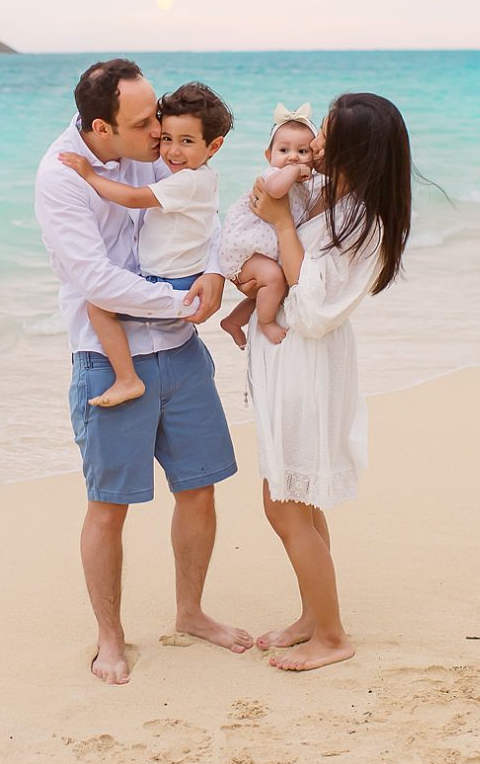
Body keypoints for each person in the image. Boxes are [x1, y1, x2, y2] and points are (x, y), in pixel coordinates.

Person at [33, 58, 254, 685]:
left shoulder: (156, 144)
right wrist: (184, 304)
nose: (159, 132)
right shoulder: (61, 178)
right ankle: (110, 637)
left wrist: (212, 272)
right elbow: (94, 279)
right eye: (144, 123)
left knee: (200, 485)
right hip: (110, 359)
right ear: (102, 128)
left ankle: (191, 613)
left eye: (158, 115)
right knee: (109, 504)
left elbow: (198, 210)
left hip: (180, 352)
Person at [243, 92, 414, 672]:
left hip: (308, 363)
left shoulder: (361, 219)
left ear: (350, 148)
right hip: (294, 359)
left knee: (285, 503)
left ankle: (334, 635)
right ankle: (315, 616)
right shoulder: (330, 199)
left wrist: (281, 221)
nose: (312, 141)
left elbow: (313, 306)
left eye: (324, 133)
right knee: (303, 499)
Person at [57, 82, 232, 408]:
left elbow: (136, 198)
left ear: (214, 146)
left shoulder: (188, 179)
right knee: (98, 303)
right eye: (167, 138)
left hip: (172, 281)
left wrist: (90, 176)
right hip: (172, 277)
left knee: (97, 308)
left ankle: (127, 379)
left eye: (186, 142)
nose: (171, 150)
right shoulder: (183, 171)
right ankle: (129, 377)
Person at [217, 103, 318, 350]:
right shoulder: (274, 174)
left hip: (265, 252)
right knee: (273, 279)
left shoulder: (303, 184)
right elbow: (275, 190)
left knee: (275, 288)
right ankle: (266, 322)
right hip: (246, 250)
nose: (293, 156)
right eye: (284, 150)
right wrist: (295, 169)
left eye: (303, 151)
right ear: (268, 155)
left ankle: (233, 321)